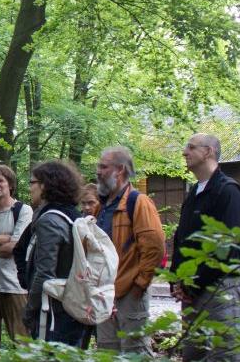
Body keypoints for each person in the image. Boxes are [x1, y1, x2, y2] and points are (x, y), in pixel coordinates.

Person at [170, 133, 240, 362]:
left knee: (223, 354)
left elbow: (227, 248)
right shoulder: (194, 193)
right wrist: (176, 280)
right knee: (194, 354)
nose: (184, 152)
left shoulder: (228, 191)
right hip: (192, 290)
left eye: (191, 147)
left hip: (220, 289)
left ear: (208, 152)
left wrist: (192, 284)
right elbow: (182, 239)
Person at [93, 147, 165, 355]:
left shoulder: (138, 202)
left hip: (130, 294)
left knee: (135, 352)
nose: (98, 171)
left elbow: (154, 248)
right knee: (107, 353)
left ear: (120, 170)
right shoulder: (101, 207)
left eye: (103, 166)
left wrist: (139, 286)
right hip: (104, 294)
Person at [20, 160, 87, 345]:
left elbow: (45, 273)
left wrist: (29, 310)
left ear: (45, 185)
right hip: (73, 306)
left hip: (53, 314)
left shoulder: (49, 220)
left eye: (32, 183)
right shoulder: (72, 215)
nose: (30, 188)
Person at [0, 165, 33, 346]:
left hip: (15, 286)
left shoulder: (23, 211)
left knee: (23, 343)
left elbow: (15, 248)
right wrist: (4, 239)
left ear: (10, 184)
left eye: (0, 180)